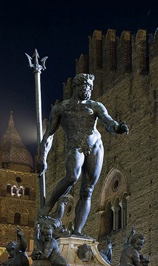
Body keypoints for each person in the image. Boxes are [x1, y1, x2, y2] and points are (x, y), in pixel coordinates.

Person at [37, 73, 129, 236]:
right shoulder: (62, 108)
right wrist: (42, 158)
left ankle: (77, 232)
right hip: (75, 146)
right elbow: (49, 135)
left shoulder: (95, 106)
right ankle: (48, 205)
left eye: (90, 88)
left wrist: (117, 128)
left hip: (95, 147)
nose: (88, 91)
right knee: (72, 176)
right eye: (85, 87)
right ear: (76, 87)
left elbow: (108, 122)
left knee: (87, 190)